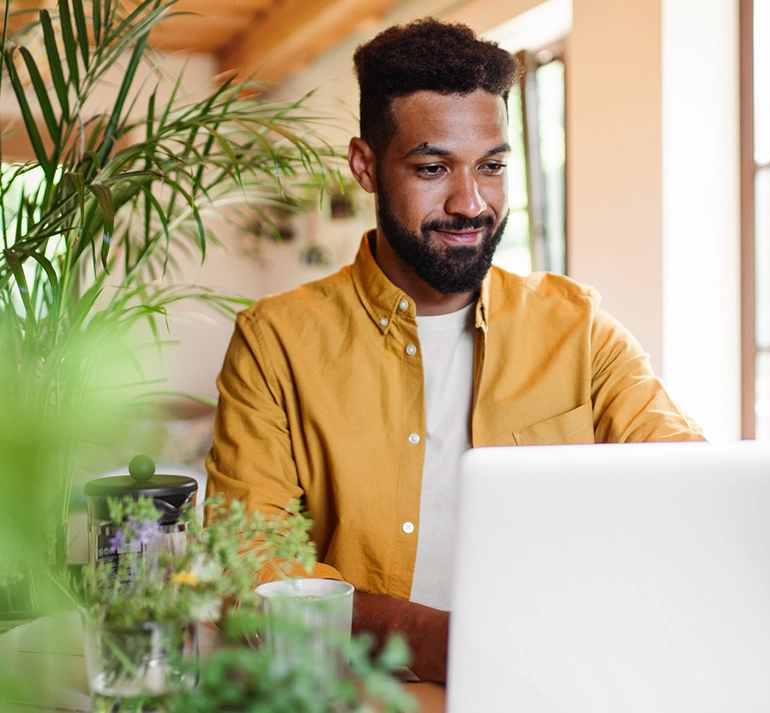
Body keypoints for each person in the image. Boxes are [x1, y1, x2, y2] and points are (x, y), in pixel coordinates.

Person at [206, 18, 705, 683]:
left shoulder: (577, 328)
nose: (470, 203)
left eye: (492, 166)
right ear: (365, 166)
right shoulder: (275, 341)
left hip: (550, 684)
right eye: (433, 167)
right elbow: (249, 562)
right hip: (362, 693)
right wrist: (440, 640)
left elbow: (688, 488)